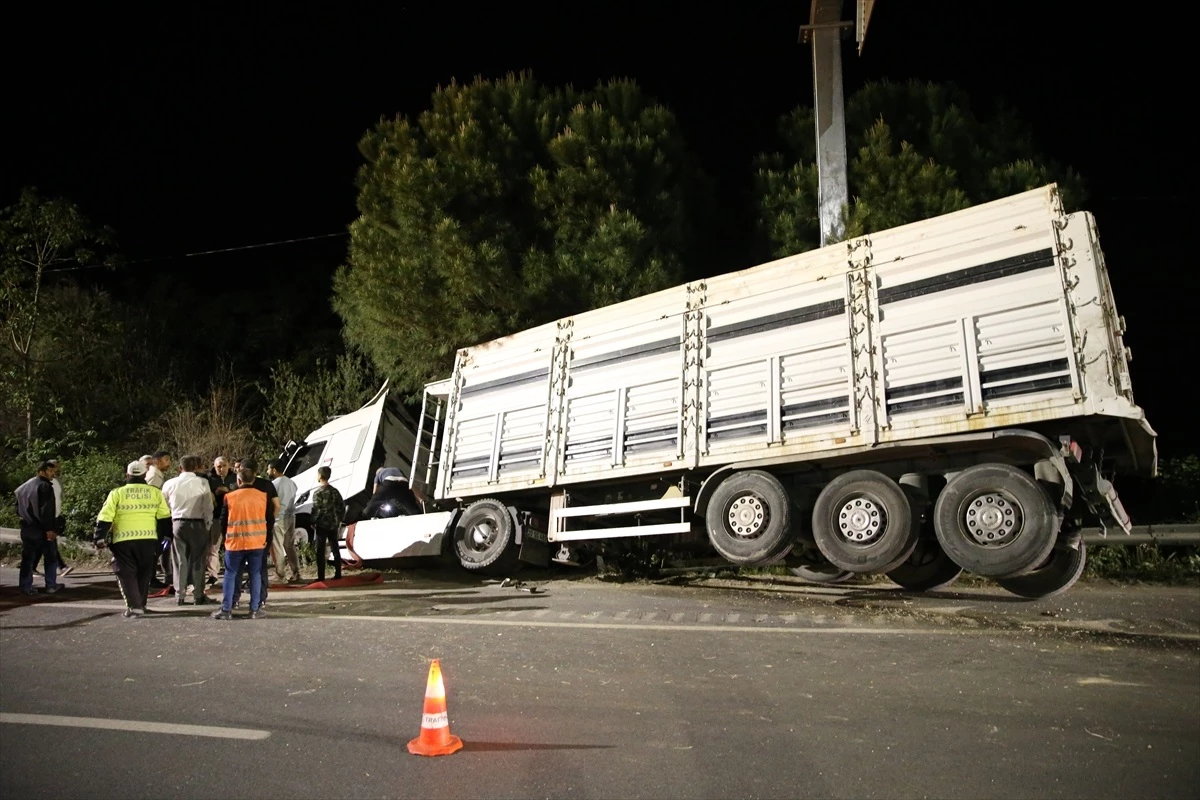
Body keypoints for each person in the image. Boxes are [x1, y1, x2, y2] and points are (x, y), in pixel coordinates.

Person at [93, 460, 172, 618]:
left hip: (123, 540)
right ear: (144, 475)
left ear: (127, 475)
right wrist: (167, 537)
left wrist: (99, 537)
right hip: (149, 540)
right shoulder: (155, 492)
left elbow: (105, 516)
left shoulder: (117, 493)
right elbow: (165, 517)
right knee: (144, 573)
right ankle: (141, 604)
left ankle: (135, 607)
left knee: (126, 574)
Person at [213, 467, 270, 620]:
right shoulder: (263, 496)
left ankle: (226, 609)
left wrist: (226, 537)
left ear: (238, 480)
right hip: (257, 542)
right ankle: (255, 609)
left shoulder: (230, 497)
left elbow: (223, 521)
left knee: (230, 574)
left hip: (235, 542)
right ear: (254, 480)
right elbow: (269, 519)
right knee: (255, 574)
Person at [162, 454, 215, 606]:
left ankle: (180, 595)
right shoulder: (203, 482)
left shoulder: (169, 483)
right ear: (196, 467)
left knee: (180, 560)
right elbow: (208, 507)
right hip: (198, 523)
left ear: (180, 467)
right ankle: (198, 594)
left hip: (177, 522)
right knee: (198, 560)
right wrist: (208, 524)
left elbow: (164, 505)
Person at [230, 457, 278, 609]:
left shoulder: (238, 487)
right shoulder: (267, 485)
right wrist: (269, 522)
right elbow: (277, 505)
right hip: (261, 533)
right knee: (259, 568)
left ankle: (234, 599)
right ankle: (260, 600)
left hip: (239, 534)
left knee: (236, 568)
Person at [15, 461, 62, 596]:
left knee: (27, 559)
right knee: (51, 558)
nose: (53, 474)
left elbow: (17, 509)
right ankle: (51, 585)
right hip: (42, 529)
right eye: (50, 471)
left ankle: (25, 587)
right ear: (42, 471)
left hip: (27, 527)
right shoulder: (45, 486)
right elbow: (46, 511)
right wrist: (50, 530)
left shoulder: (24, 487)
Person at [204, 456, 237, 587]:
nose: (221, 469)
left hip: (233, 517)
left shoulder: (235, 477)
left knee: (233, 546)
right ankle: (213, 575)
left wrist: (229, 492)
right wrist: (214, 493)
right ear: (214, 466)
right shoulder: (208, 479)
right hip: (216, 516)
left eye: (223, 465)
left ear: (228, 465)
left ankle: (233, 572)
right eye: (218, 466)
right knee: (213, 547)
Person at [267, 459, 301, 583]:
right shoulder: (291, 482)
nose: (267, 471)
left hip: (278, 518)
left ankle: (280, 575)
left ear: (274, 470)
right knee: (290, 546)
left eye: (268, 469)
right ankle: (296, 572)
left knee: (277, 547)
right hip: (291, 516)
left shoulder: (274, 484)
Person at [310, 465, 344, 583]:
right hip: (333, 523)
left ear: (320, 476)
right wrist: (339, 519)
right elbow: (342, 507)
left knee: (320, 550)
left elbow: (316, 509)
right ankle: (338, 573)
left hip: (322, 524)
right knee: (335, 547)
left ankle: (321, 576)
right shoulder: (335, 491)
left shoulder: (317, 493)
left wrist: (313, 521)